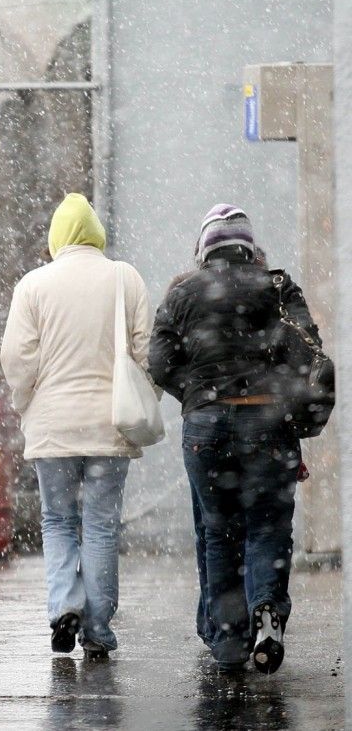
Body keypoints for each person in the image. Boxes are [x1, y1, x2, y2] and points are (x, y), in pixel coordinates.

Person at [149, 204, 318, 674]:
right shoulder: (278, 288)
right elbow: (308, 355)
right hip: (268, 423)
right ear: (249, 245)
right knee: (267, 526)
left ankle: (227, 643)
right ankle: (266, 610)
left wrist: (200, 395)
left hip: (207, 427)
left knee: (219, 532)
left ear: (206, 248)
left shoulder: (183, 293)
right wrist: (280, 398)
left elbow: (160, 362)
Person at [0, 193, 151, 661]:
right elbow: (147, 350)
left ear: (56, 238)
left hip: (52, 426)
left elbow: (15, 358)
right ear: (96, 234)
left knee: (58, 520)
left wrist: (25, 402)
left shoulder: (34, 285)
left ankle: (65, 605)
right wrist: (144, 398)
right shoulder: (125, 277)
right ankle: (98, 630)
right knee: (102, 526)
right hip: (111, 424)